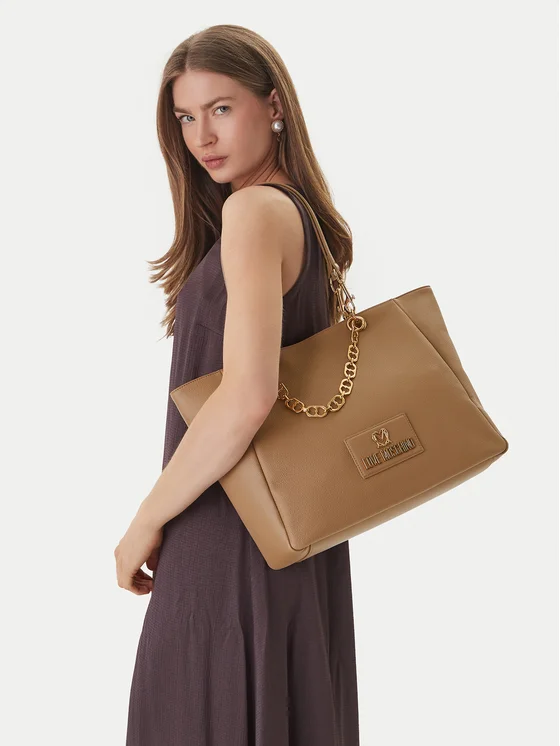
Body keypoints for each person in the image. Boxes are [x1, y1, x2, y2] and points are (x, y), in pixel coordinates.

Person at [115, 23, 360, 745]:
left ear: (273, 104)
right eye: (186, 117)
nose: (202, 136)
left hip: (227, 532)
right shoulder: (297, 215)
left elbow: (249, 396)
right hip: (291, 534)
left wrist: (145, 520)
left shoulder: (253, 211)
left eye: (221, 108)